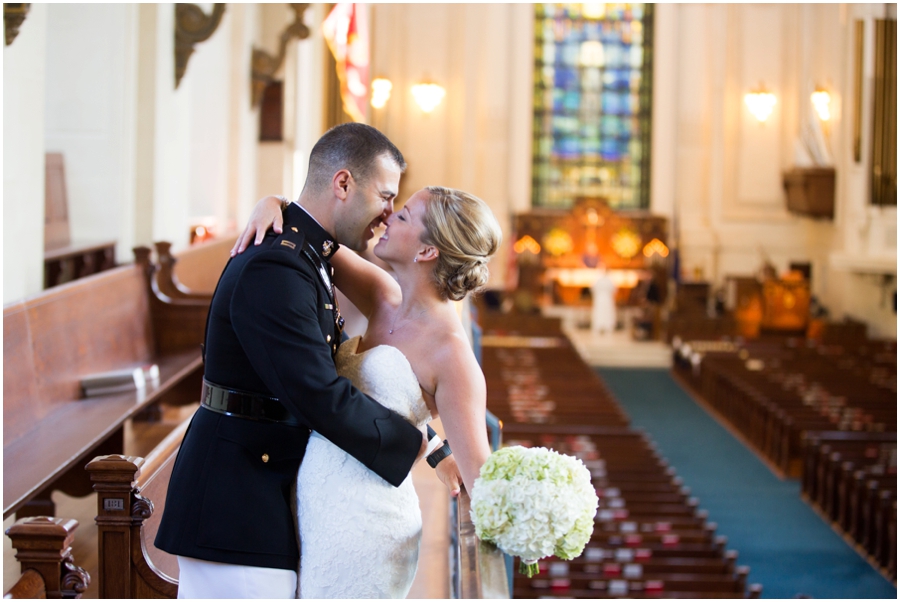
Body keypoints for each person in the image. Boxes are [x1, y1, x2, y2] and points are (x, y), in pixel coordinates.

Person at [154, 123, 450, 599]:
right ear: (343, 183)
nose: (388, 214)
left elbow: (336, 375)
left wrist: (434, 445)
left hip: (260, 483)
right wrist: (409, 443)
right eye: (386, 196)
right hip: (235, 503)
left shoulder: (308, 252)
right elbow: (318, 392)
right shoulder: (279, 265)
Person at [239, 185, 502, 597]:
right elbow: (309, 230)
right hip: (314, 505)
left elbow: (483, 477)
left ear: (427, 251)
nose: (387, 217)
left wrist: (538, 505)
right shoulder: (383, 295)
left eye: (403, 216)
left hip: (371, 526)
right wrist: (270, 204)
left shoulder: (452, 355)